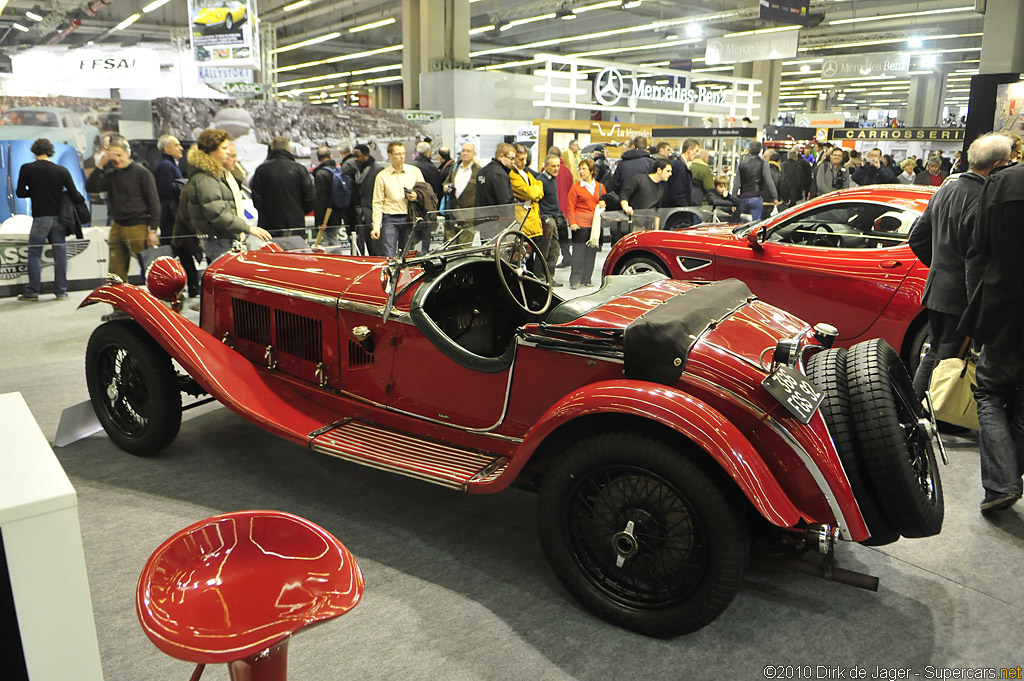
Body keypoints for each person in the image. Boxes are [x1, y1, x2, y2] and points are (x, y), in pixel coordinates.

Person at [908, 133, 1012, 402]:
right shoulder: (982, 200)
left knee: (934, 353)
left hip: (936, 288)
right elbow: (975, 258)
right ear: (998, 165)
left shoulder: (946, 189)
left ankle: (913, 411)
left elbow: (917, 237)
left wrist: (941, 265)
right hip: (960, 297)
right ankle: (926, 417)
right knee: (946, 359)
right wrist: (975, 305)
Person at [959, 147, 1024, 512]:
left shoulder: (1002, 182)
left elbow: (978, 251)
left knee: (989, 392)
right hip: (1005, 306)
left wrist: (976, 314)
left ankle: (1002, 481)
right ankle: (1007, 478)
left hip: (1003, 306)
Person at [183, 129, 272, 265]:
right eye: (224, 148)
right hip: (219, 240)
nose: (228, 152)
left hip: (225, 238)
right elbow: (217, 213)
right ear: (211, 151)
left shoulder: (220, 175)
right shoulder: (206, 178)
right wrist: (248, 228)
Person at [15, 138, 87, 300]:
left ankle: (33, 291)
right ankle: (61, 291)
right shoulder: (61, 170)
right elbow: (75, 195)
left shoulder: (27, 169)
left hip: (41, 217)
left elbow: (20, 192)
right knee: (60, 254)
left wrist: (35, 192)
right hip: (60, 219)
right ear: (50, 152)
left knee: (34, 253)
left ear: (34, 152)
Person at [85, 137, 160, 283]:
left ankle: (158, 300)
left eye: (119, 155)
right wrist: (101, 165)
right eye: (112, 156)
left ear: (128, 154)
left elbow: (154, 203)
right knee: (115, 271)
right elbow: (91, 188)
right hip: (117, 225)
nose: (116, 159)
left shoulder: (142, 173)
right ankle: (119, 304)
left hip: (139, 226)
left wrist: (152, 229)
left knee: (149, 267)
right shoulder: (111, 175)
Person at [250, 136, 314, 237]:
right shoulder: (299, 169)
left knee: (272, 252)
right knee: (296, 252)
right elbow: (310, 198)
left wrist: (266, 213)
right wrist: (299, 212)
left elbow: (257, 199)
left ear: (271, 148)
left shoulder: (261, 170)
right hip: (295, 225)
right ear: (288, 148)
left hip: (269, 225)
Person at [371, 141, 425, 257]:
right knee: (389, 255)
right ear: (390, 155)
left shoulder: (414, 171)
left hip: (409, 216)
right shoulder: (382, 176)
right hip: (390, 218)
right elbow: (377, 202)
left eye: (403, 153)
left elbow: (425, 192)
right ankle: (390, 275)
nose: (402, 157)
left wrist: (416, 196)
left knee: (407, 255)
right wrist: (376, 226)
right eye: (398, 154)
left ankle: (405, 275)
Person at [566, 158, 607, 289]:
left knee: (591, 253)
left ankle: (586, 279)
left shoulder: (600, 187)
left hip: (594, 226)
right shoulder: (576, 187)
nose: (581, 171)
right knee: (578, 254)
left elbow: (605, 202)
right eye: (580, 169)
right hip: (580, 225)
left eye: (584, 169)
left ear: (592, 171)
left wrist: (603, 203)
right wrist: (572, 222)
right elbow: (570, 206)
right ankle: (575, 280)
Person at [509, 144, 547, 278]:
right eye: (520, 159)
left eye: (525, 159)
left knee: (532, 260)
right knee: (524, 260)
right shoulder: (513, 175)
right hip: (523, 224)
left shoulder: (526, 174)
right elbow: (530, 193)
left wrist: (535, 192)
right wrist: (535, 193)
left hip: (533, 222)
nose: (524, 162)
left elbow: (540, 187)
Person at [443, 142, 480, 243]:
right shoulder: (454, 168)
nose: (465, 153)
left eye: (468, 151)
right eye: (463, 151)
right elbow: (447, 181)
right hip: (453, 213)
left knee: (464, 247)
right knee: (451, 246)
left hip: (469, 214)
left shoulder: (479, 171)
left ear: (474, 154)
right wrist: (446, 186)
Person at [536, 154, 565, 285]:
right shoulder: (541, 180)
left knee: (554, 250)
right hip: (546, 219)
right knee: (544, 250)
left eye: (558, 165)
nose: (556, 168)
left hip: (553, 218)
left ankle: (549, 277)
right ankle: (540, 278)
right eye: (553, 166)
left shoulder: (552, 179)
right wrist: (544, 218)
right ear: (546, 166)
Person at [353, 144, 385, 255]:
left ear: (366, 155)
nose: (355, 159)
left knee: (377, 250)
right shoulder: (358, 171)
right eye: (354, 156)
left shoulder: (378, 170)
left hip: (374, 215)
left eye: (358, 156)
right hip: (362, 215)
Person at [733, 141, 776, 221]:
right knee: (755, 224)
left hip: (744, 196)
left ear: (749, 150)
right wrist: (775, 196)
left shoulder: (741, 164)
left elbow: (736, 183)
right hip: (757, 196)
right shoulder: (763, 164)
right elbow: (769, 181)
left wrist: (733, 198)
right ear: (760, 150)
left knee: (744, 224)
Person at [311, 146, 344, 246]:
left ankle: (336, 260)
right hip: (338, 211)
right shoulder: (339, 171)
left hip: (327, 215)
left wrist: (320, 221)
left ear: (318, 158)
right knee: (333, 238)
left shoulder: (321, 174)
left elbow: (320, 199)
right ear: (330, 156)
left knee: (330, 241)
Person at [154, 134, 184, 242]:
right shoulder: (165, 165)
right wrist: (183, 186)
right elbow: (166, 190)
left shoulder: (167, 163)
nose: (181, 148)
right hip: (170, 215)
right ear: (166, 149)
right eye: (177, 145)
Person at [474, 142, 515, 208]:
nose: (513, 162)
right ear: (501, 156)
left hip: (481, 215)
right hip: (496, 216)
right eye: (511, 158)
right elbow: (505, 202)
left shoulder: (482, 171)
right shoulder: (500, 174)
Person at [665, 139, 699, 209]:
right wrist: (686, 209)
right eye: (696, 151)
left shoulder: (680, 165)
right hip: (678, 213)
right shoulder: (679, 166)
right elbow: (677, 192)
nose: (697, 154)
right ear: (689, 150)